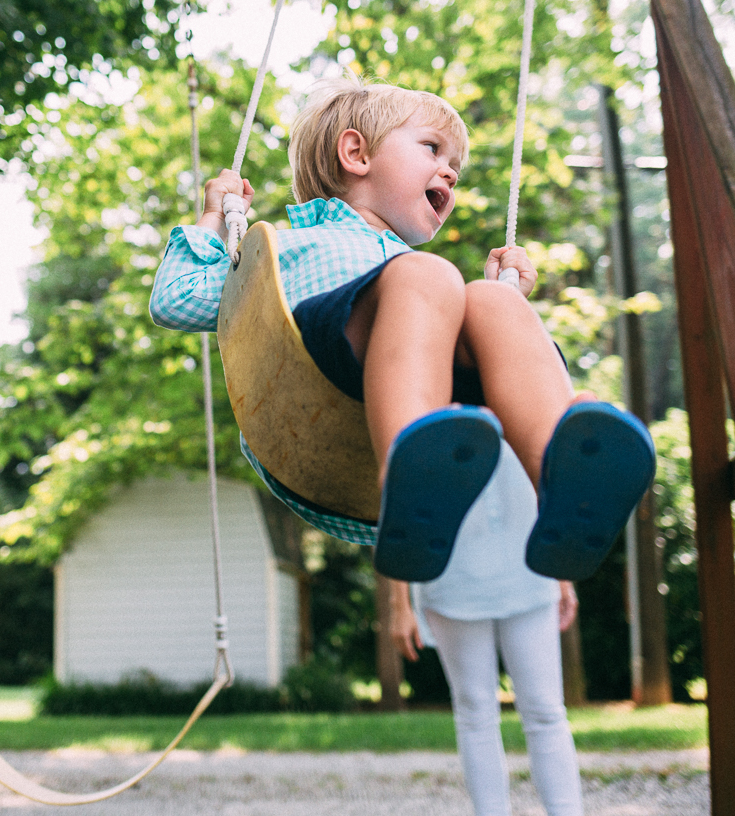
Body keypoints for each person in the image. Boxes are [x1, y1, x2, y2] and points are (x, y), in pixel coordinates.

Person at [149, 74, 652, 582]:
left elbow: (454, 313)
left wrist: (504, 302)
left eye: (455, 166)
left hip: (414, 390)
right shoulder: (285, 247)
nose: (450, 174)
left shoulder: (419, 283)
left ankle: (559, 476)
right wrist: (215, 217)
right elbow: (177, 301)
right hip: (309, 380)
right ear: (357, 154)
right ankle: (411, 473)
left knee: (485, 298)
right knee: (429, 273)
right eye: (433, 149)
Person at [382, 439, 585, 816]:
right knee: (475, 711)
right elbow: (395, 490)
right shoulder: (415, 384)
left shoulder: (525, 378)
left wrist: (561, 572)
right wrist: (399, 601)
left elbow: (551, 469)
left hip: (529, 564)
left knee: (545, 710)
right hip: (449, 572)